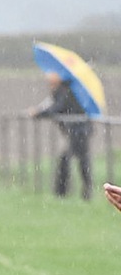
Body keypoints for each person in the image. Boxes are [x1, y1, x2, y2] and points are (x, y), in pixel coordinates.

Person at [31, 71, 93, 200]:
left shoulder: (66, 91)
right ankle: (76, 191)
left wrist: (39, 113)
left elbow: (57, 107)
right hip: (77, 130)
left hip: (79, 130)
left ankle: (65, 192)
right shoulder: (63, 90)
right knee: (79, 160)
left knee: (73, 160)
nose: (48, 78)